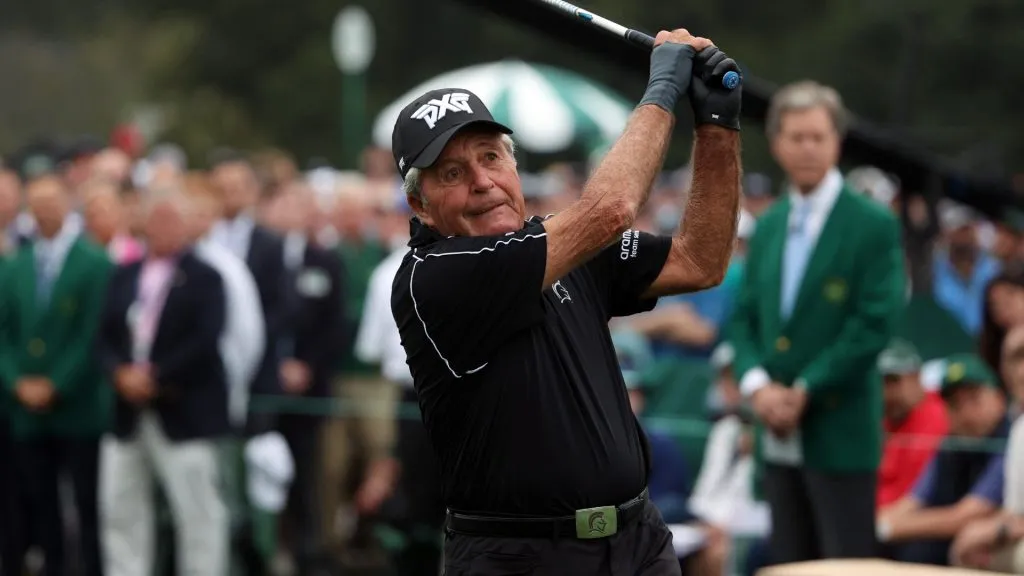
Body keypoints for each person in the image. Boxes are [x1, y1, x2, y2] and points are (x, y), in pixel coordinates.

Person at [391, 30, 742, 575]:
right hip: (521, 557)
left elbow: (701, 260)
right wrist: (663, 89)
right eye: (453, 173)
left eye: (491, 157)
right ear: (421, 204)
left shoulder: (559, 242)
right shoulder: (434, 276)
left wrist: (717, 126)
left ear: (514, 166)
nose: (483, 182)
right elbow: (611, 210)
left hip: (638, 543)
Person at [727, 80, 906, 563]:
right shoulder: (769, 224)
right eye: (797, 137)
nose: (808, 147)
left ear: (837, 142)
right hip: (775, 432)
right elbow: (743, 319)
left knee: (844, 563)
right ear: (777, 143)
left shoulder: (873, 224)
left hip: (840, 430)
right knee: (789, 561)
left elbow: (875, 323)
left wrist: (807, 386)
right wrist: (758, 386)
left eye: (818, 137)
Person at [98, 190, 230, 576]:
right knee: (120, 507)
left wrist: (156, 376)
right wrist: (119, 373)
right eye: (156, 219)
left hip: (182, 409)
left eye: (171, 219)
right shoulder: (124, 274)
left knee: (198, 513)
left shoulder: (205, 277)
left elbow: (205, 340)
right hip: (127, 410)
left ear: (187, 225)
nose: (163, 228)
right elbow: (103, 336)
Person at [0, 174, 112, 576]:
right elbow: (4, 331)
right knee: (39, 498)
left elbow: (91, 333)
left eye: (52, 201)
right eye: (37, 202)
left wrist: (57, 383)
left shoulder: (95, 262)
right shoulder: (16, 264)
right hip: (26, 407)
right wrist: (16, 381)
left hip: (77, 405)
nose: (45, 210)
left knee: (87, 500)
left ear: (68, 204)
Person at [877, 353, 1009, 565]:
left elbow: (968, 514)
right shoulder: (951, 444)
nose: (966, 413)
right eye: (955, 404)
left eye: (974, 399)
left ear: (999, 399)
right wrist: (872, 523)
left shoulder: (1011, 440)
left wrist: (887, 527)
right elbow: (913, 502)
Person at [876, 339, 949, 513]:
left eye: (893, 381)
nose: (885, 392)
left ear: (916, 377)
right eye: (879, 382)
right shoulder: (883, 418)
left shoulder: (937, 417)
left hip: (912, 518)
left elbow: (910, 497)